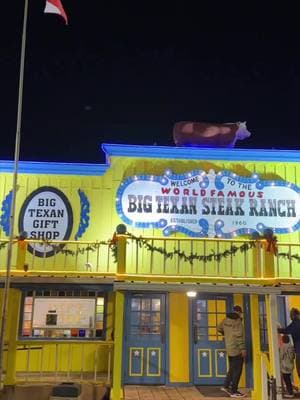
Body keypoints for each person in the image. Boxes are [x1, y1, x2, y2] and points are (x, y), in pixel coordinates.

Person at [217, 305, 247, 398]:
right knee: (237, 370)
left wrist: (226, 334)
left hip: (228, 348)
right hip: (236, 349)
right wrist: (243, 348)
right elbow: (238, 336)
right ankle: (234, 391)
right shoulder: (237, 321)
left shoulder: (226, 319)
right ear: (239, 312)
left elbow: (218, 328)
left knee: (232, 368)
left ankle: (226, 386)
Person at [278, 308, 300, 378]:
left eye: (291, 315)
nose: (290, 317)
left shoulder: (295, 323)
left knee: (299, 370)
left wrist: (275, 329)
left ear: (294, 315)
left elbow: (286, 331)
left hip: (299, 351)